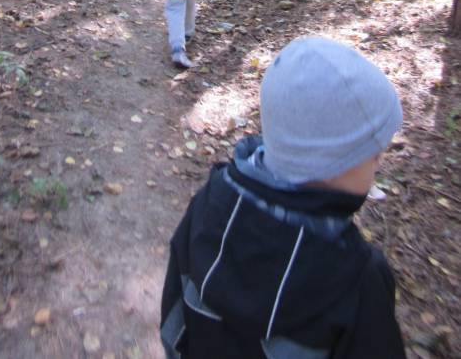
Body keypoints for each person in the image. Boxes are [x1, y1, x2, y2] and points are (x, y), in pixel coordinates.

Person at [160, 35, 406, 359]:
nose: (379, 161)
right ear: (331, 163)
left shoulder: (211, 201)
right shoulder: (358, 279)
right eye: (372, 152)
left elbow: (174, 319)